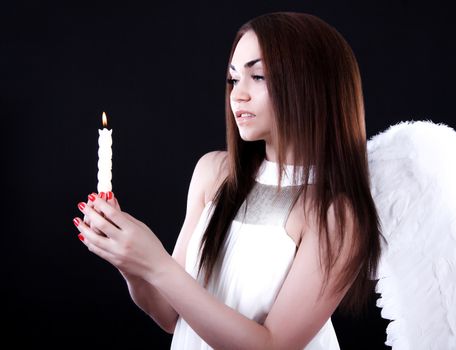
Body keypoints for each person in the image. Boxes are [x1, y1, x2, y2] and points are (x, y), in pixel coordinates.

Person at [73, 12, 382, 349]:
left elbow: (271, 345)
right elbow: (168, 315)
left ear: (313, 84)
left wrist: (156, 263)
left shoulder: (335, 214)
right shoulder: (213, 173)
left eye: (258, 76)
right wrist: (130, 260)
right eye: (233, 80)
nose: (238, 95)